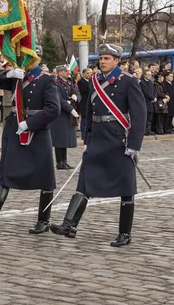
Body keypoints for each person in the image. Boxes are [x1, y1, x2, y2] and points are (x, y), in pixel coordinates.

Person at [50, 44, 147, 247]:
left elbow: (139, 114)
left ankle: (124, 233)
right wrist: (87, 139)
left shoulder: (128, 81)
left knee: (125, 185)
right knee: (85, 180)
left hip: (119, 138)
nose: (102, 61)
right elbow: (88, 110)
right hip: (98, 137)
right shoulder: (95, 80)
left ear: (117, 60)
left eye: (107, 58)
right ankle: (70, 224)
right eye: (101, 58)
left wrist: (134, 144)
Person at [0, 46, 61, 234]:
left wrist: (30, 123)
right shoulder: (17, 76)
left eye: (32, 58)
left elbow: (53, 109)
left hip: (37, 131)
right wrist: (9, 73)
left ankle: (43, 220)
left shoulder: (47, 80)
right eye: (24, 57)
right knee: (6, 168)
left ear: (38, 59)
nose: (28, 61)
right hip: (14, 128)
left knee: (45, 176)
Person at [50, 65, 80, 170]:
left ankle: (64, 161)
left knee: (65, 139)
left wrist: (75, 99)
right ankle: (59, 162)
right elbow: (59, 99)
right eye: (65, 71)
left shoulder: (68, 83)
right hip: (60, 114)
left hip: (67, 114)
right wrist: (70, 109)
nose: (68, 72)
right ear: (59, 73)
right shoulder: (56, 83)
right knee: (60, 139)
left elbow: (76, 93)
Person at [139, 70, 157, 135]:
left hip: (152, 103)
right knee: (145, 118)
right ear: (145, 75)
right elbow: (145, 92)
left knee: (150, 118)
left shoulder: (151, 82)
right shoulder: (142, 83)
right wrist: (152, 98)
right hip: (146, 102)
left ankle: (149, 130)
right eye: (148, 75)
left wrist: (155, 98)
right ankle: (145, 131)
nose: (150, 76)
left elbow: (155, 91)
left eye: (150, 75)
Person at [78, 68, 93, 139]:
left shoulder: (91, 81)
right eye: (88, 73)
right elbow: (85, 90)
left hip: (90, 102)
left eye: (91, 73)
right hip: (84, 102)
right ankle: (84, 134)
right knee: (84, 119)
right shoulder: (81, 81)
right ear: (83, 74)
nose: (89, 74)